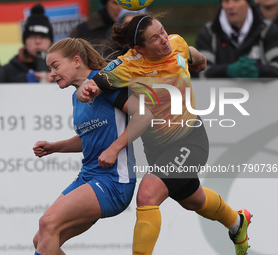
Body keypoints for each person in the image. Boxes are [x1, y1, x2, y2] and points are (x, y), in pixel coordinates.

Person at [76, 14, 252, 255]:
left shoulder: (176, 43)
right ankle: (237, 222)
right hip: (157, 149)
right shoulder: (126, 67)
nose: (164, 40)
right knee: (194, 200)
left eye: (162, 31)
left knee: (148, 193)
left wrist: (199, 61)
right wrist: (85, 92)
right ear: (139, 48)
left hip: (190, 139)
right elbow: (94, 84)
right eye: (155, 38)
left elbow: (193, 54)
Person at [32, 38, 153, 255]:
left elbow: (144, 115)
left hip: (114, 181)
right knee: (41, 239)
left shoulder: (105, 83)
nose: (51, 74)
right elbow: (88, 138)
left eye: (56, 66)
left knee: (47, 223)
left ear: (76, 61)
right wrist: (55, 147)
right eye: (50, 69)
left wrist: (115, 148)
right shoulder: (76, 97)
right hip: (88, 177)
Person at [194, 0, 278, 78]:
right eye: (226, 1)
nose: (230, 6)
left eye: (236, 0)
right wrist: (226, 70)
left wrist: (258, 70)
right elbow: (199, 70)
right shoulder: (209, 33)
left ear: (248, 3)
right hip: (218, 93)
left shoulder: (268, 30)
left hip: (262, 93)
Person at [2, 4, 54, 83]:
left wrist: (60, 79)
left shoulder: (62, 67)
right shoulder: (10, 69)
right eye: (33, 37)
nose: (38, 41)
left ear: (51, 42)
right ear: (25, 42)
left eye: (43, 37)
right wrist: (24, 79)